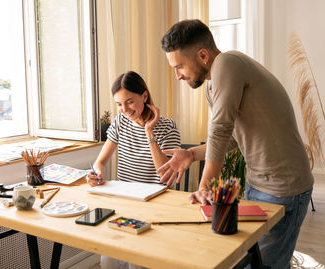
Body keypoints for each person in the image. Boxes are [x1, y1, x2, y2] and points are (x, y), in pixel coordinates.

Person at [158, 19, 313, 268]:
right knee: (252, 260)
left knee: (268, 265)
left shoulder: (227, 63)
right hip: (257, 184)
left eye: (179, 66)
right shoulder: (213, 84)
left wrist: (205, 186)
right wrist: (190, 154)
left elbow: (219, 130)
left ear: (202, 55)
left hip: (285, 187)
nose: (177, 75)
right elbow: (230, 138)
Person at [87, 71, 181, 269]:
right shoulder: (120, 123)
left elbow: (165, 175)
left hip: (156, 205)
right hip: (126, 201)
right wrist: (97, 172)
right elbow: (100, 162)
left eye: (129, 102)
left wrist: (149, 131)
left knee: (137, 261)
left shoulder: (167, 127)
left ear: (144, 96)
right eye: (119, 104)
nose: (124, 109)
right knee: (109, 257)